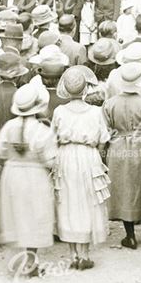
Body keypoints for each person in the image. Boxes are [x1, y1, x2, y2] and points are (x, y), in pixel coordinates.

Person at [0, 83, 57, 278]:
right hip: (35, 175)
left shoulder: (8, 126)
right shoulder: (42, 130)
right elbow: (50, 159)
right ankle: (31, 260)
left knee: (18, 213)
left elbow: (1, 151)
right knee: (36, 214)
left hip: (12, 173)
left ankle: (20, 257)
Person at [52, 65, 110, 269]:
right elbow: (103, 139)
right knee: (87, 201)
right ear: (86, 88)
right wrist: (99, 157)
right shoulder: (95, 112)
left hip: (66, 156)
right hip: (88, 156)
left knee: (67, 200)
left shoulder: (59, 111)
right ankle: (84, 254)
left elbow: (53, 137)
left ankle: (73, 255)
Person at [103, 62, 141, 250]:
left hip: (118, 147)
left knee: (124, 187)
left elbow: (106, 131)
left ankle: (130, 235)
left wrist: (104, 152)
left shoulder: (110, 103)